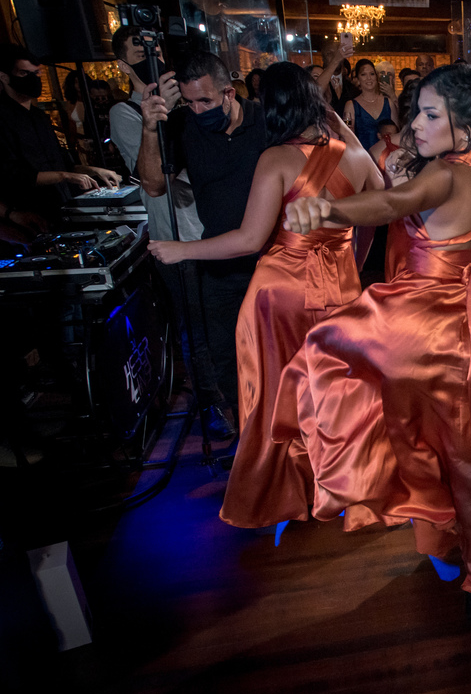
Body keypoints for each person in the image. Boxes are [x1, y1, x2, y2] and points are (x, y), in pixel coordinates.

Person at [272, 63, 471, 614]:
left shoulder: (448, 174)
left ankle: (396, 510)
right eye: (417, 112)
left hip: (428, 317)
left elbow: (390, 205)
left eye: (431, 115)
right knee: (462, 443)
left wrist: (327, 207)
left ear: (467, 123)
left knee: (325, 360)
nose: (416, 124)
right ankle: (460, 547)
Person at [147, 62, 383, 529]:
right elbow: (378, 198)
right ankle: (339, 484)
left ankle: (284, 486)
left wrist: (182, 250)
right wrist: (341, 131)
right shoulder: (352, 158)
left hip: (283, 290)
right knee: (336, 392)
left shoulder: (276, 158)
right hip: (341, 285)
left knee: (278, 394)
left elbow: (251, 240)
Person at [108, 26, 232, 440]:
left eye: (155, 48)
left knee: (222, 322)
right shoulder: (125, 114)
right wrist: (153, 124)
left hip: (215, 230)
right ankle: (212, 404)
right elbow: (155, 179)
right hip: (175, 233)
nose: (151, 56)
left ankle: (233, 395)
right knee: (194, 326)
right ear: (124, 64)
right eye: (139, 52)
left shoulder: (190, 103)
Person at [138, 51, 270, 424]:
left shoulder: (264, 121)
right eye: (190, 101)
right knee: (227, 357)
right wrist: (150, 129)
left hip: (273, 259)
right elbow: (152, 184)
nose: (197, 110)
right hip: (220, 263)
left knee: (277, 351)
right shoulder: (182, 125)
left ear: (229, 92)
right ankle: (249, 435)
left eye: (206, 101)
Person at [0, 44, 120, 233]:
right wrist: (65, 176)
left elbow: (62, 163)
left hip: (60, 208)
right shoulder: (3, 119)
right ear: (4, 77)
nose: (33, 79)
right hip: (28, 216)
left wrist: (93, 170)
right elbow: (15, 176)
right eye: (24, 74)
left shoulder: (39, 117)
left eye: (37, 73)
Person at [342, 59, 398, 152]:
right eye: (363, 74)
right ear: (358, 79)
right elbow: (347, 134)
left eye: (372, 74)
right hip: (363, 158)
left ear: (376, 77)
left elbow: (397, 132)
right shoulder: (350, 105)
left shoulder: (388, 103)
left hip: (387, 157)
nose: (369, 78)